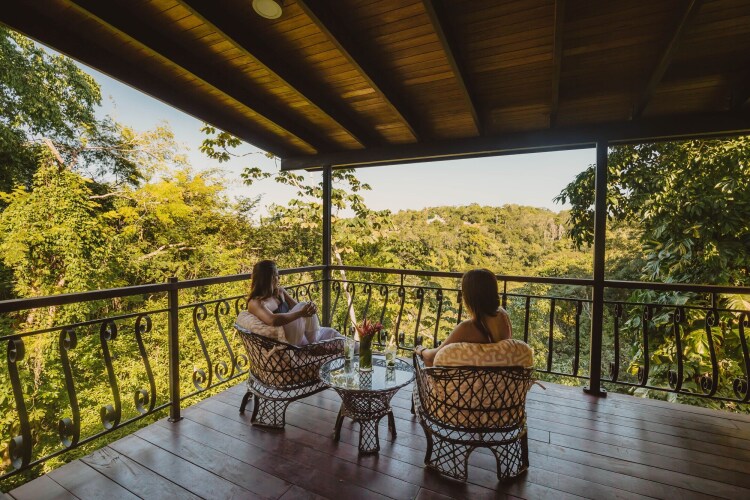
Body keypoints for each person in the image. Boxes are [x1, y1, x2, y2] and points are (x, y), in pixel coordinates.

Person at [415, 269, 511, 366]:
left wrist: (421, 350)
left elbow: (433, 356)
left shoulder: (468, 328)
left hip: (471, 375)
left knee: (425, 360)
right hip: (499, 374)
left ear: (469, 296)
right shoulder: (503, 316)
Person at [244, 260, 342, 346]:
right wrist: (301, 313)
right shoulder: (255, 303)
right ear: (270, 278)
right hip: (284, 339)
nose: (279, 278)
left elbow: (296, 306)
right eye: (277, 275)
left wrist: (309, 309)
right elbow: (272, 320)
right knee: (303, 305)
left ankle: (352, 348)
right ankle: (315, 344)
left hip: (296, 332)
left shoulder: (279, 292)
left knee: (333, 334)